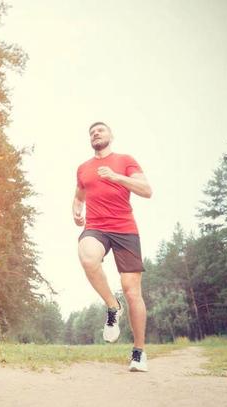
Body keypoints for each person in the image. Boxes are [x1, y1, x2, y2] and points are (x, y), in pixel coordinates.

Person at [73, 121, 152, 372]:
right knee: (87, 258)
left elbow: (147, 190)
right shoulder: (83, 168)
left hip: (125, 229)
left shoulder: (125, 160)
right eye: (92, 132)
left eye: (101, 130)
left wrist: (116, 176)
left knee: (132, 292)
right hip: (96, 227)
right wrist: (76, 210)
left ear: (111, 136)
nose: (96, 133)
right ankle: (111, 306)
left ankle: (138, 353)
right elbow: (79, 195)